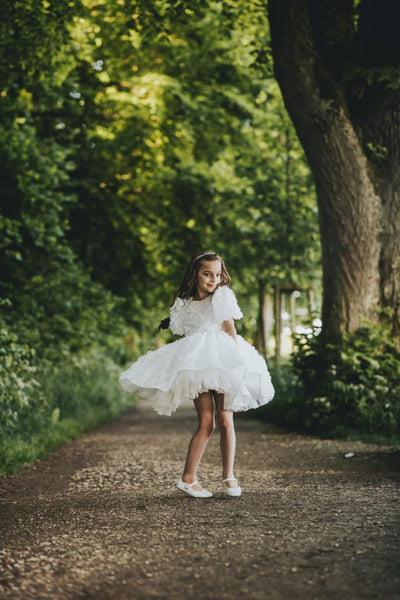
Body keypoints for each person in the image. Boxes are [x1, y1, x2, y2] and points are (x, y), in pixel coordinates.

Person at [119, 251, 275, 498]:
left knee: (226, 420)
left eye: (217, 274)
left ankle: (229, 475)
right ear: (195, 274)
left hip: (224, 361)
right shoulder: (183, 302)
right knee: (207, 422)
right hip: (198, 364)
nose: (213, 279)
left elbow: (230, 330)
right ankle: (188, 478)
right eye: (207, 274)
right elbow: (183, 330)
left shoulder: (222, 297)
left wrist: (237, 363)